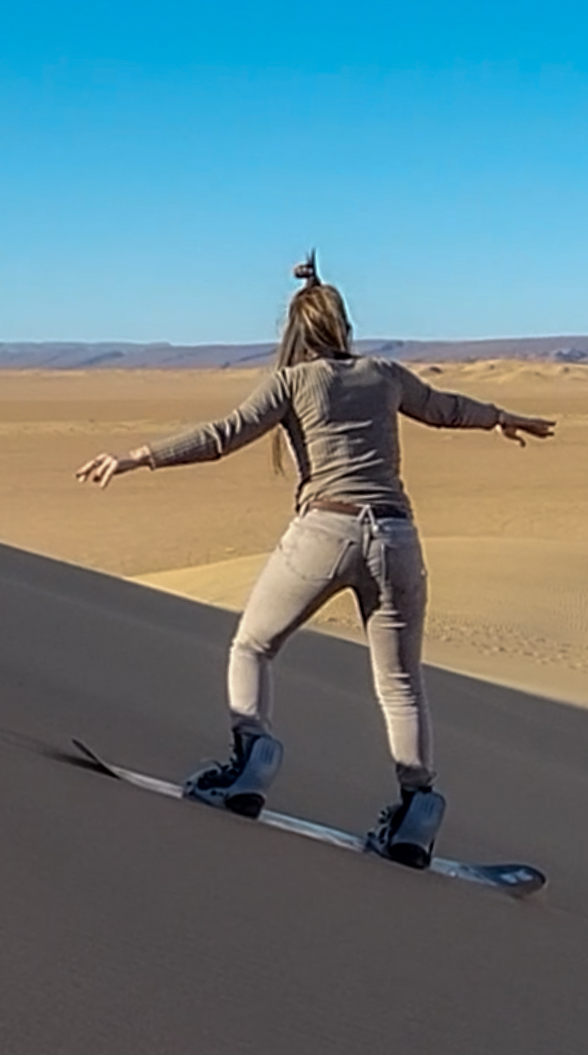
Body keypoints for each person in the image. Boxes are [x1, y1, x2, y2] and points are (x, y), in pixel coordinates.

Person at [75, 253, 555, 868]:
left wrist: (139, 456)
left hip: (323, 530)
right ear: (344, 324)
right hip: (397, 538)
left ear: (294, 332)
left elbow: (224, 436)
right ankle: (417, 809)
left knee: (252, 646)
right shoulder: (385, 375)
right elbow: (446, 407)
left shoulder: (293, 382)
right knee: (401, 683)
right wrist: (503, 419)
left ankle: (252, 759)